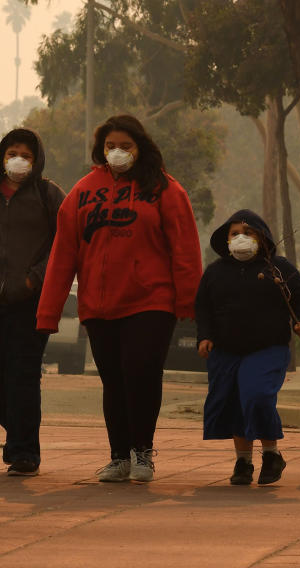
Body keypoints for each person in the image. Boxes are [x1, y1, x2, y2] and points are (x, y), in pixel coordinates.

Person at [35, 114, 202, 483]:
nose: (117, 152)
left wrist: (189, 301)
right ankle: (119, 456)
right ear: (100, 150)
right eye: (111, 146)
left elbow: (185, 248)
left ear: (140, 148)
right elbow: (63, 255)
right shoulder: (82, 192)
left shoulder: (165, 190)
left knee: (141, 371)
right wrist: (48, 312)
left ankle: (143, 452)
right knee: (114, 380)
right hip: (99, 304)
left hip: (151, 301)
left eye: (125, 146)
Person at [0, 128, 65, 477]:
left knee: (22, 374)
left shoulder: (48, 194)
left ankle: (24, 452)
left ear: (36, 159)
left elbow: (64, 241)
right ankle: (19, 433)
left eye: (26, 154)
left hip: (30, 299)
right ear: (1, 155)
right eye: (12, 153)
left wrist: (34, 278)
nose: (18, 160)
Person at [196, 210, 300, 486]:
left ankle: (272, 454)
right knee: (235, 401)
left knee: (257, 394)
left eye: (248, 233)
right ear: (226, 240)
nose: (241, 238)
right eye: (234, 233)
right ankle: (243, 461)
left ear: (262, 238)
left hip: (268, 348)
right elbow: (203, 308)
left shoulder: (279, 268)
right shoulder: (215, 272)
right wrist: (205, 336)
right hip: (226, 350)